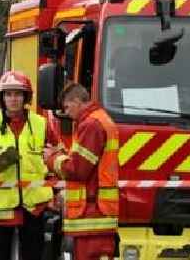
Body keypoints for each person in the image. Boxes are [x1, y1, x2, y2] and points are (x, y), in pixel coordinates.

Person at [0, 70, 61, 260]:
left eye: (18, 93)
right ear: (2, 98)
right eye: (8, 94)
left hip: (34, 208)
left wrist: (54, 190)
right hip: (1, 209)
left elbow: (57, 158)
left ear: (25, 97)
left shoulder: (42, 125)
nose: (13, 98)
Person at [44, 83, 118, 260]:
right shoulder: (101, 119)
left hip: (91, 215)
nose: (67, 113)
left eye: (67, 107)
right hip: (99, 215)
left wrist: (52, 159)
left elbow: (78, 170)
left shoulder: (90, 125)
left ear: (77, 101)